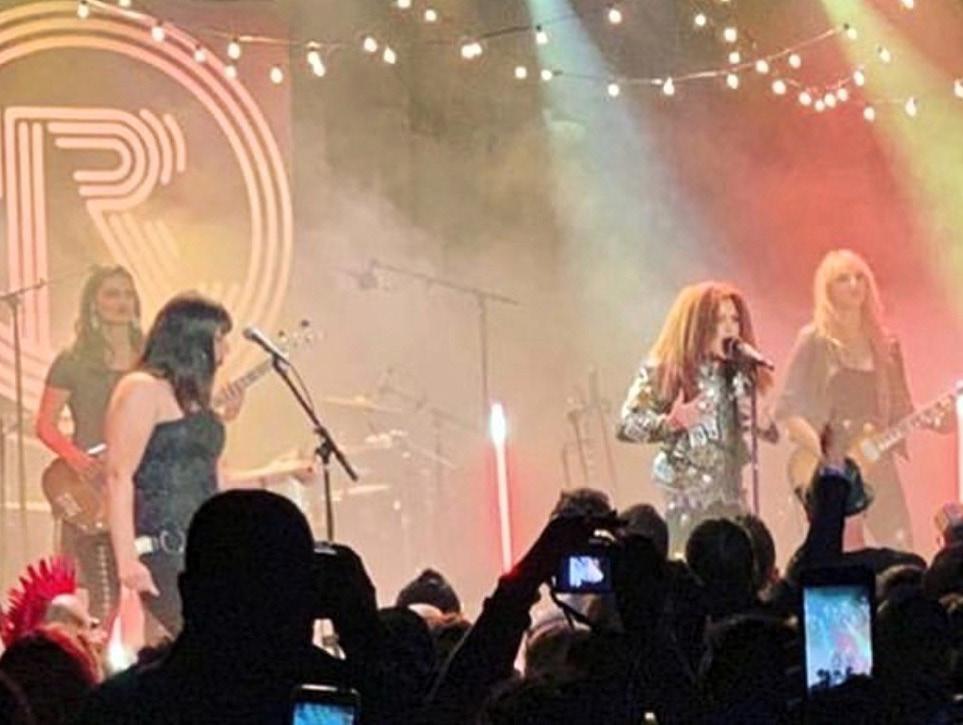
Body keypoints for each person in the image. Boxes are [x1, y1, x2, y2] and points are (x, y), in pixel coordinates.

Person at [103, 293, 258, 638]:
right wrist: (127, 560)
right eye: (219, 338)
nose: (226, 350)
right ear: (193, 339)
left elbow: (211, 477)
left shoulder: (193, 400)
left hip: (208, 546)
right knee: (203, 638)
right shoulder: (142, 388)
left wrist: (282, 471)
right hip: (164, 549)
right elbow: (118, 475)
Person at [775, 249, 949, 550]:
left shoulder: (886, 346)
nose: (854, 285)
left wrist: (936, 417)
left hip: (877, 461)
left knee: (900, 547)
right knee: (832, 549)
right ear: (828, 289)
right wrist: (828, 456)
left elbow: (901, 409)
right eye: (843, 279)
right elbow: (788, 410)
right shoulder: (813, 341)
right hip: (829, 468)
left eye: (860, 278)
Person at [617, 281, 777, 554]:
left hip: (731, 503)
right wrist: (669, 424)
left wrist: (762, 422)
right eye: (719, 320)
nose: (730, 328)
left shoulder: (737, 372)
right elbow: (626, 424)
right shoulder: (666, 368)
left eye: (734, 319)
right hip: (685, 507)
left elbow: (768, 430)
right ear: (697, 325)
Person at [35, 266, 142, 624]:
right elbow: (45, 425)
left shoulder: (151, 358)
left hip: (142, 481)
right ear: (93, 303)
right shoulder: (74, 361)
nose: (122, 302)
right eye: (112, 294)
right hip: (91, 486)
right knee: (104, 590)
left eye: (127, 294)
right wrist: (77, 459)